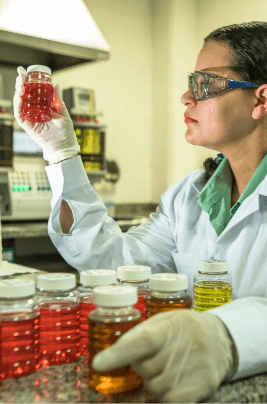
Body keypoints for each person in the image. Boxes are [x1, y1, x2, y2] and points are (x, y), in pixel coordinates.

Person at [13, 21, 267, 404]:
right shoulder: (188, 196)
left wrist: (226, 336)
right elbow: (117, 264)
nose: (186, 96)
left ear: (261, 100)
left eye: (205, 84)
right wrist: (60, 151)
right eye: (190, 82)